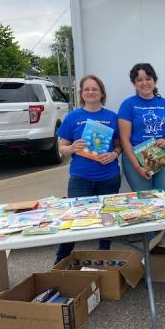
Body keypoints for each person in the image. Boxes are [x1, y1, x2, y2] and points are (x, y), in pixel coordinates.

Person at [54, 75, 122, 264]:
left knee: (107, 221)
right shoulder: (73, 117)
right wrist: (71, 148)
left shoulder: (112, 117)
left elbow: (119, 145)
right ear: (81, 93)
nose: (91, 92)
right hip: (80, 179)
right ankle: (60, 260)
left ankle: (103, 258)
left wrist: (115, 154)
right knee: (73, 221)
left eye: (95, 89)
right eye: (87, 89)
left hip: (108, 177)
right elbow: (62, 147)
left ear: (101, 93)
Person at [118, 63, 165, 237]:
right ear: (134, 83)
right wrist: (138, 167)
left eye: (148, 79)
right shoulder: (128, 105)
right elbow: (124, 140)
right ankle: (151, 248)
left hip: (160, 154)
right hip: (136, 156)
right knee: (147, 204)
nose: (144, 83)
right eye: (139, 80)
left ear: (154, 80)